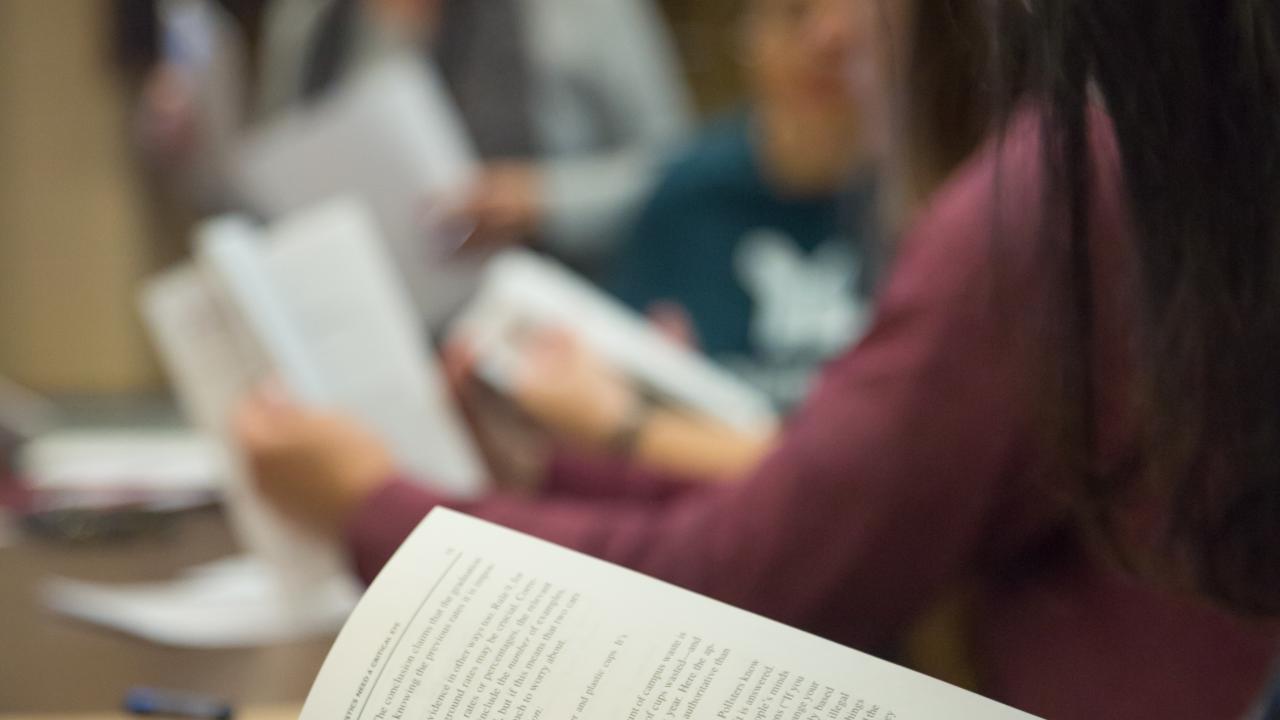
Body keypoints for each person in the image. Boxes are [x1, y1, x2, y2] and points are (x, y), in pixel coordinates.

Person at [234, 0, 1280, 717]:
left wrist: (373, 504)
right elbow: (819, 492)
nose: (828, 30)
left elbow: (758, 571)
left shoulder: (1053, 194)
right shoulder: (1141, 161)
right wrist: (561, 468)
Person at [255, 0, 694, 264]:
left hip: (561, 328)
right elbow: (273, 174)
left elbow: (682, 176)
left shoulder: (574, 11)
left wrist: (545, 200)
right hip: (374, 322)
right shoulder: (310, 23)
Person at [612, 0, 883, 409]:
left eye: (859, 23)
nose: (828, 42)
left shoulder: (932, 205)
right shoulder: (688, 195)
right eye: (797, 12)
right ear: (752, 36)